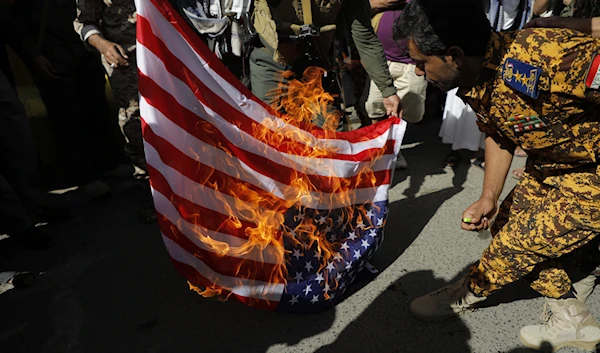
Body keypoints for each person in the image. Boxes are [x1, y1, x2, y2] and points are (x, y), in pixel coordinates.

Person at [395, 0, 600, 350]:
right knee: (504, 223)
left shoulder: (547, 56)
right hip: (553, 166)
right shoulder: (478, 74)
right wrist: (488, 196)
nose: (417, 72)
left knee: (516, 243)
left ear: (453, 55)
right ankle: (571, 307)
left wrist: (580, 24)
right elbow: (501, 132)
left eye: (420, 62)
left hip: (592, 172)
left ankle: (467, 292)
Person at [249, 0, 401, 130]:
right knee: (269, 131)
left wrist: (387, 90)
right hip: (272, 61)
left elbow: (365, 39)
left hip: (317, 64)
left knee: (331, 134)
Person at [74, 0, 156, 222]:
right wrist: (103, 45)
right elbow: (84, 23)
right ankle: (152, 195)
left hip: (165, 50)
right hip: (127, 59)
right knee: (136, 124)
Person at [366, 0, 428, 169]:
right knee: (375, 105)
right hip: (381, 59)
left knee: (409, 110)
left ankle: (395, 148)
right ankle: (382, 149)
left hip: (411, 62)